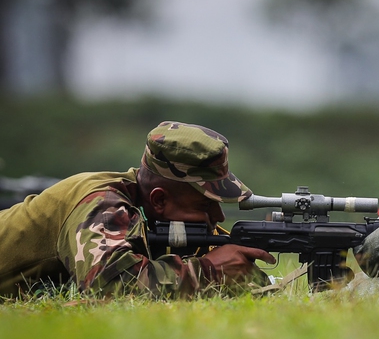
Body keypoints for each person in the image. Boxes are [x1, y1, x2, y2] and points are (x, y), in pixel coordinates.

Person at [0, 121, 276, 298]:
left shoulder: (142, 207)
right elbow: (112, 286)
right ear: (159, 200)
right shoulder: (101, 204)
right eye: (205, 205)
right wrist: (210, 271)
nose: (218, 217)